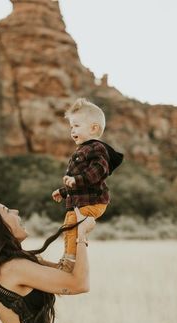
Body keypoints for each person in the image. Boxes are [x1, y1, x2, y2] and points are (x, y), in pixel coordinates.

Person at [52, 98, 124, 271]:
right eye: (71, 127)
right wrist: (63, 192)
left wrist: (76, 180)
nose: (72, 130)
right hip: (83, 200)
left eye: (76, 126)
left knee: (71, 223)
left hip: (94, 202)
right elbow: (79, 183)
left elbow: (99, 171)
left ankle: (70, 261)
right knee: (68, 226)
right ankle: (67, 257)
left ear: (93, 128)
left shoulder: (96, 148)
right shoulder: (82, 150)